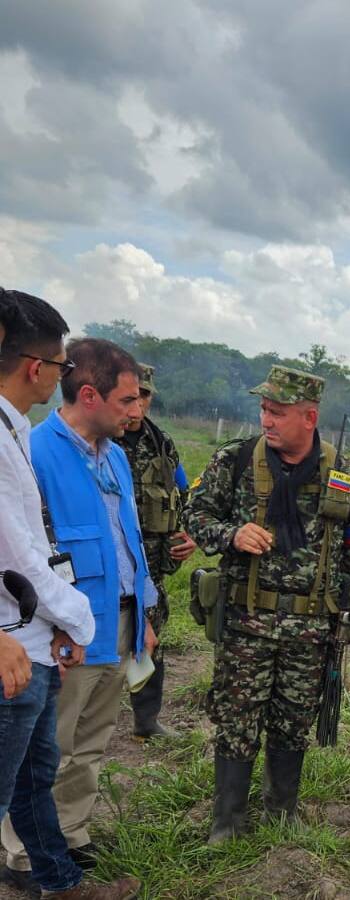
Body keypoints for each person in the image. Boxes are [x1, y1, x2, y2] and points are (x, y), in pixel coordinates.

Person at [184, 365, 350, 844]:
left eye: (277, 412)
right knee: (237, 717)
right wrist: (231, 533)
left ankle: (281, 810)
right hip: (246, 622)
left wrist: (336, 593)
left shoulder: (345, 473)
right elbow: (195, 511)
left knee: (293, 720)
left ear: (309, 417)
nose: (266, 420)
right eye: (264, 410)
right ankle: (226, 821)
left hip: (310, 630)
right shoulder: (235, 460)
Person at [0, 324, 143, 900]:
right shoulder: (33, 450)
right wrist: (68, 622)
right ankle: (21, 855)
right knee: (45, 752)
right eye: (128, 398)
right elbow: (30, 552)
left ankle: (71, 837)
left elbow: (127, 539)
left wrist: (146, 611)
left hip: (117, 620)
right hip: (56, 628)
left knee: (88, 742)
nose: (137, 410)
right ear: (89, 395)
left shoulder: (117, 459)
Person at [118, 363, 197, 742]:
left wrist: (186, 535)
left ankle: (145, 721)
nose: (138, 404)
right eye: (133, 395)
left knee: (150, 638)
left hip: (152, 564)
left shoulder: (161, 443)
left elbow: (181, 494)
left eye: (145, 395)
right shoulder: (100, 438)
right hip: (111, 561)